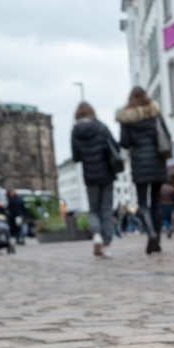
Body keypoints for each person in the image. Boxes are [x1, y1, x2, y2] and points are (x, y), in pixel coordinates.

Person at [117, 86, 172, 254]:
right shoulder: (154, 113)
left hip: (140, 162)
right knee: (156, 204)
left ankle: (152, 234)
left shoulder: (127, 119)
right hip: (157, 161)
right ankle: (156, 242)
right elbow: (166, 134)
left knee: (142, 204)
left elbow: (125, 143)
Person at [71, 101, 121, 257]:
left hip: (90, 175)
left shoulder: (75, 131)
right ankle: (106, 245)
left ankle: (96, 236)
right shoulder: (101, 127)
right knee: (106, 209)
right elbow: (115, 146)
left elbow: (76, 157)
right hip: (106, 173)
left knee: (93, 209)